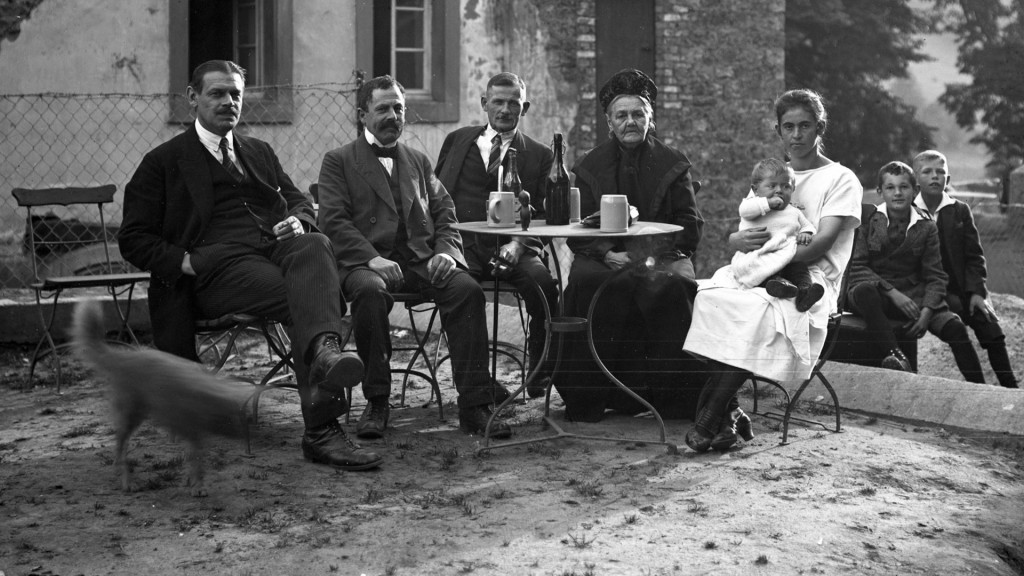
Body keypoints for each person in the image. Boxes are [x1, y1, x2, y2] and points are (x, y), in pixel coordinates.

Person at [118, 60, 382, 471]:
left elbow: (299, 200)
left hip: (271, 252)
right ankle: (322, 429)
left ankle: (324, 353)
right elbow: (132, 238)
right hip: (213, 271)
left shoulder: (258, 151)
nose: (228, 102)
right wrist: (182, 261)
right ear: (192, 99)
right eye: (217, 94)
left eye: (236, 95)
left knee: (315, 243)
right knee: (307, 299)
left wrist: (299, 218)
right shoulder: (163, 162)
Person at [316, 75, 513, 441]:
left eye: (399, 108)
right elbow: (332, 221)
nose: (393, 116)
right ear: (363, 115)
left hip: (421, 261)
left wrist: (447, 254)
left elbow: (445, 214)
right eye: (383, 109)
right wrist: (370, 258)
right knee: (370, 293)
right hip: (367, 266)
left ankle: (474, 406)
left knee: (466, 289)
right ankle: (377, 402)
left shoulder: (418, 161)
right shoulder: (338, 161)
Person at [683, 89, 863, 452]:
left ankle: (711, 417)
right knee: (704, 297)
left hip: (811, 281)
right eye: (788, 127)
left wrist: (767, 259)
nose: (796, 135)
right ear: (778, 130)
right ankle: (728, 414)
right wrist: (736, 240)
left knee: (754, 312)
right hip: (763, 270)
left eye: (805, 126)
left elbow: (820, 244)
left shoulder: (841, 179)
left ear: (820, 127)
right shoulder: (774, 176)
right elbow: (748, 224)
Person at [555, 68, 705, 423]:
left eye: (638, 114)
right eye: (621, 115)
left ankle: (674, 402)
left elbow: (689, 225)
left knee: (675, 285)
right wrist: (608, 253)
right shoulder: (590, 165)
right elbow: (579, 227)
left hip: (662, 255)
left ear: (650, 118)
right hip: (604, 255)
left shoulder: (673, 163)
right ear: (609, 122)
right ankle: (591, 399)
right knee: (587, 284)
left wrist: (642, 254)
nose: (630, 121)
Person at [435, 72, 558, 398]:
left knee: (544, 286)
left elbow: (547, 217)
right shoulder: (458, 141)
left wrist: (519, 246)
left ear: (525, 106)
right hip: (464, 247)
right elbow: (435, 197)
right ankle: (479, 384)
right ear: (484, 103)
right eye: (498, 102)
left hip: (515, 246)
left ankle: (539, 368)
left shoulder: (540, 154)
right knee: (461, 292)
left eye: (513, 103)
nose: (504, 109)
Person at [846, 161, 985, 383]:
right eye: (890, 188)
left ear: (915, 191)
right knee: (864, 292)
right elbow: (858, 266)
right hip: (876, 293)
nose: (898, 193)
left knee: (956, 328)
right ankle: (897, 357)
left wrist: (927, 313)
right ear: (880, 192)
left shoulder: (927, 226)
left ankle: (981, 390)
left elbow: (936, 275)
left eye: (904, 187)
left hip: (914, 296)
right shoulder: (868, 220)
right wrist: (892, 292)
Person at [913, 150, 1018, 388]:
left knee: (989, 324)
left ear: (948, 180)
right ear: (916, 179)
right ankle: (978, 388)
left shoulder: (959, 210)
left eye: (940, 172)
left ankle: (1010, 385)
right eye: (927, 172)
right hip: (929, 292)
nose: (934, 177)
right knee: (956, 331)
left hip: (961, 289)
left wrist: (977, 292)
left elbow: (974, 257)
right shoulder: (909, 211)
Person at [730, 158, 824, 312]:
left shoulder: (794, 211)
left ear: (793, 189)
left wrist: (806, 233)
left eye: (786, 186)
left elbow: (808, 225)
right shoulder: (753, 205)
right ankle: (780, 286)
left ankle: (805, 293)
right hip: (758, 256)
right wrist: (767, 204)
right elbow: (744, 211)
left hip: (786, 257)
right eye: (772, 186)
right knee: (757, 271)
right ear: (755, 190)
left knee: (800, 270)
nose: (779, 190)